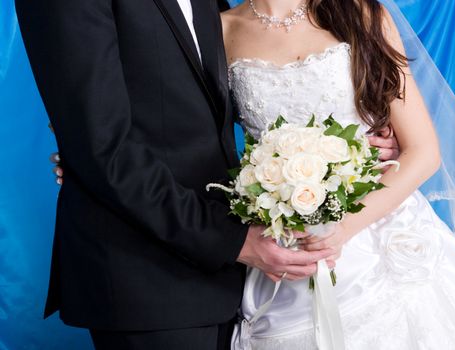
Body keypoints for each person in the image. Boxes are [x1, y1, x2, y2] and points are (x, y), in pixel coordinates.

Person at [16, 0, 399, 349]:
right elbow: (102, 145)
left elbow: (202, 106)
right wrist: (86, 156)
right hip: (148, 277)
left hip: (244, 274)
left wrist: (356, 147)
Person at [219, 0, 455, 349]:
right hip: (284, 242)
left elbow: (423, 151)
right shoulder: (222, 30)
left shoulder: (359, 12)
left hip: (374, 229)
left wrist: (341, 229)